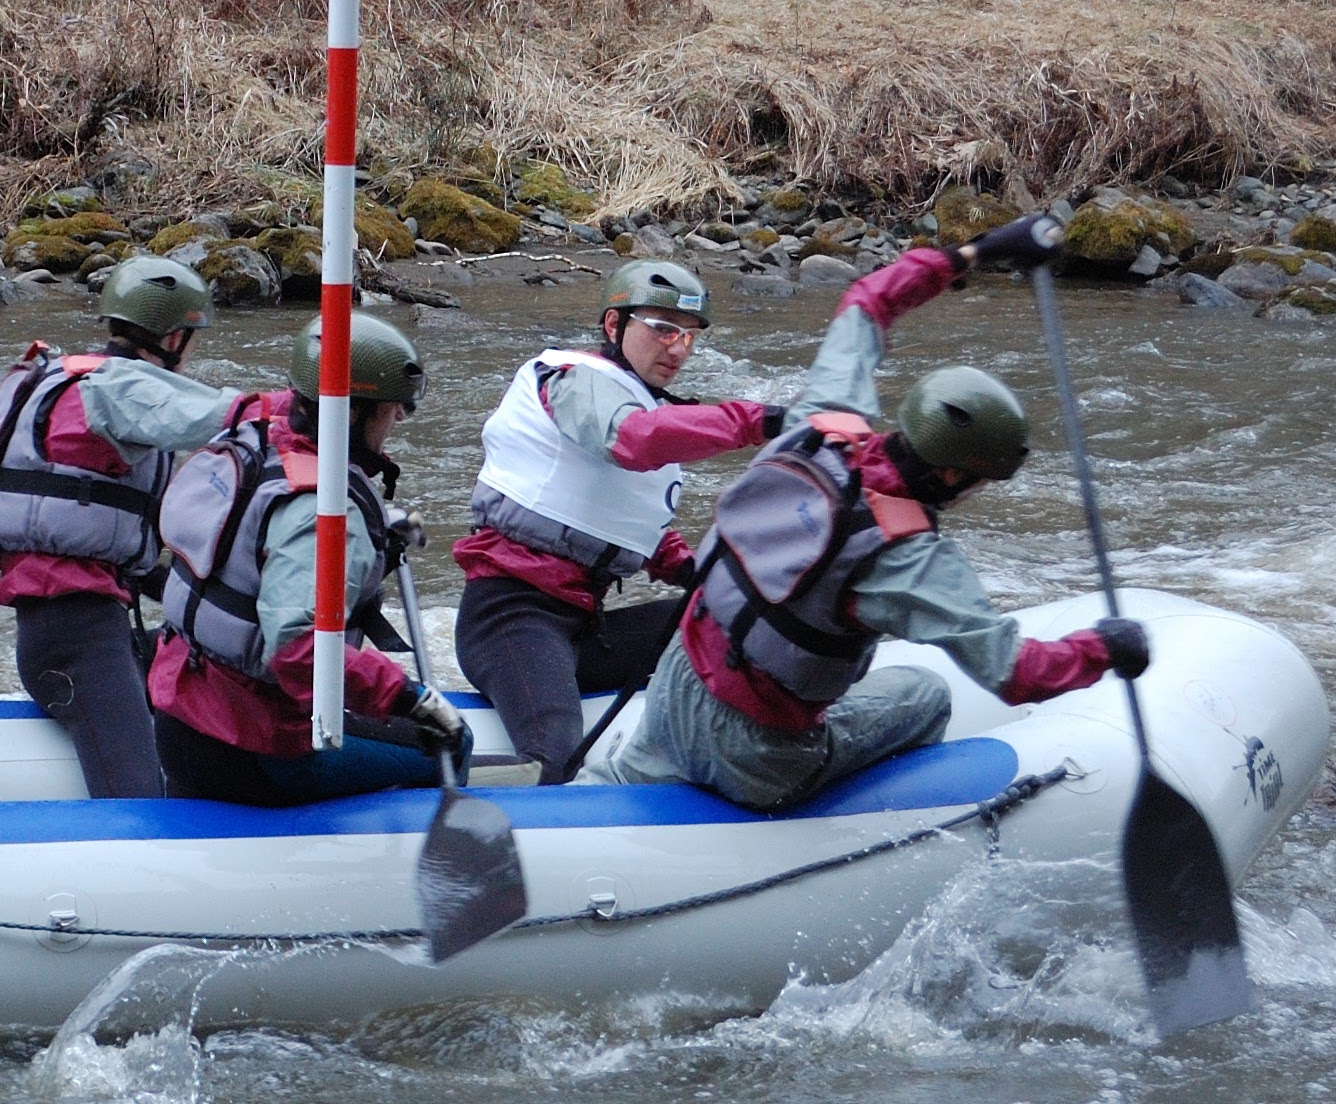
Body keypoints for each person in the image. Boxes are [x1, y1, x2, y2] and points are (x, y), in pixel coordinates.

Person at [585, 221, 1152, 810]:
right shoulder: (910, 557)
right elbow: (1018, 674)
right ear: (953, 475)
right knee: (925, 693)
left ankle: (600, 794)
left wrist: (976, 250)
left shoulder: (820, 419)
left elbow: (868, 300)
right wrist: (1107, 647)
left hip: (676, 686)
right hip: (755, 753)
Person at [450, 260, 784, 783]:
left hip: (587, 628)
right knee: (554, 759)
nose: (679, 349)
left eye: (690, 336)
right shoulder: (574, 379)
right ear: (614, 325)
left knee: (735, 625)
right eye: (664, 329)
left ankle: (761, 754)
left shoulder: (637, 400)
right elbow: (635, 440)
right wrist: (759, 421)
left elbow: (628, 522)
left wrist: (694, 572)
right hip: (511, 619)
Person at [146, 313, 470, 807]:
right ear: (355, 412)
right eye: (391, 410)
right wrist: (409, 696)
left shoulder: (257, 437)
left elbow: (259, 544)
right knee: (451, 740)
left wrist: (380, 529)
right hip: (253, 751)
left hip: (180, 716)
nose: (396, 422)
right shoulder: (321, 513)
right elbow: (297, 653)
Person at [0, 256, 243, 798]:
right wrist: (313, 411)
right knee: (137, 797)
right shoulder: (118, 391)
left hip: (73, 630)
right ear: (173, 338)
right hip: (81, 643)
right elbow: (224, 417)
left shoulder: (77, 378)